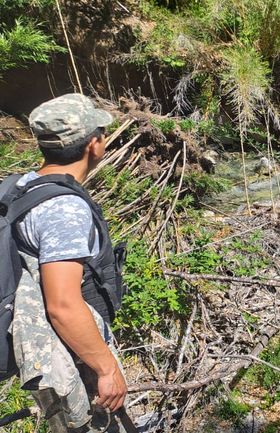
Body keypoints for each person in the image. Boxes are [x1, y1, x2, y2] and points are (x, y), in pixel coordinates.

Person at [10, 94, 132, 432]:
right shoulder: (64, 209)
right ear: (94, 144)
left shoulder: (23, 186)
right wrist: (106, 368)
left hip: (39, 343)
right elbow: (63, 305)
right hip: (70, 353)